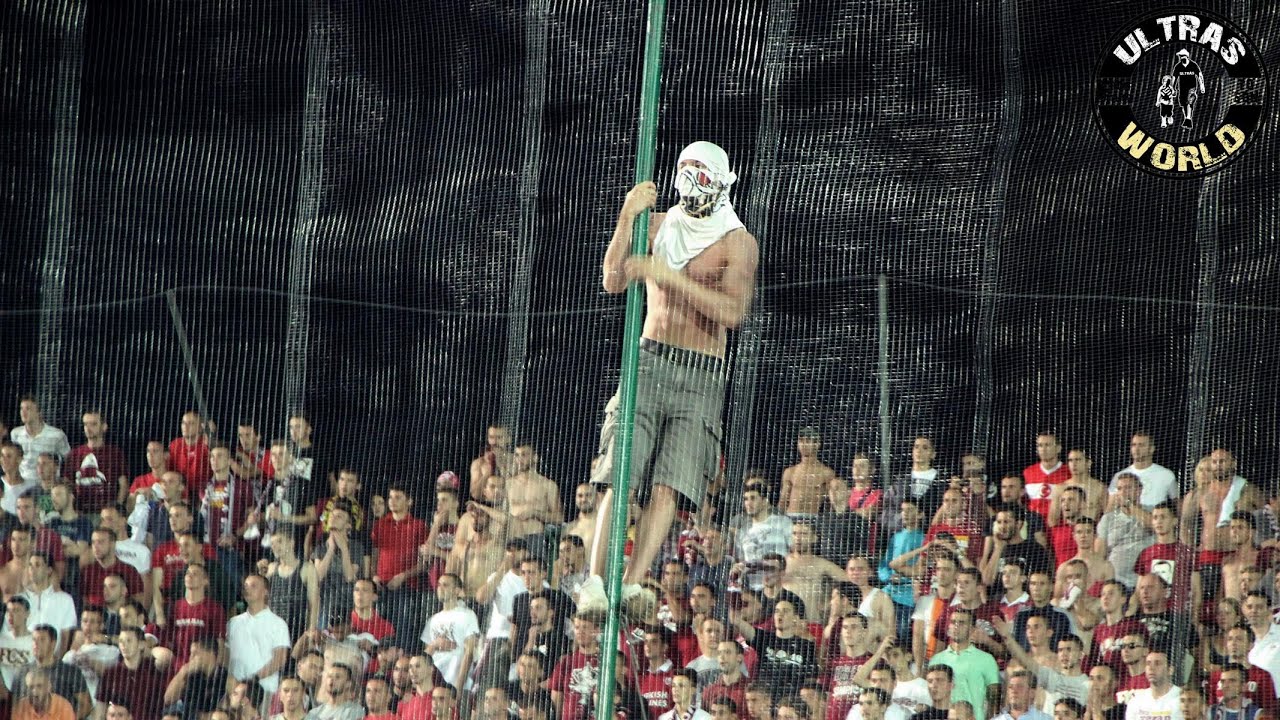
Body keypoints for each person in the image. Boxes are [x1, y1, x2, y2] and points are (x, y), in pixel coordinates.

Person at [589, 140, 759, 601]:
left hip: (701, 373)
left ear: (721, 184)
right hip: (649, 361)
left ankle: (631, 586)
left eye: (702, 177)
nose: (692, 186)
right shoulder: (658, 224)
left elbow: (733, 311)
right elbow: (612, 279)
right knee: (619, 474)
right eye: (687, 174)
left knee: (669, 486)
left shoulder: (737, 242)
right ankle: (595, 584)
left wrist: (669, 276)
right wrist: (627, 218)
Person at [228, 574, 292, 701]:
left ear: (265, 592)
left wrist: (253, 679)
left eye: (253, 586)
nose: (247, 589)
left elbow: (280, 659)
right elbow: (226, 655)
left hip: (265, 691)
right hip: (235, 692)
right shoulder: (233, 623)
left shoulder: (278, 623)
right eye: (245, 586)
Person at [926, 610, 999, 720]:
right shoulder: (936, 659)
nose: (956, 626)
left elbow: (994, 699)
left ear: (972, 629)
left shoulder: (986, 659)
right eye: (953, 622)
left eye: (961, 623)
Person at [10, 624, 91, 719]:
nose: (36, 644)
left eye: (42, 640)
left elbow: (86, 705)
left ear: (53, 643)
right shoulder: (21, 672)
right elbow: (14, 705)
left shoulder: (69, 672)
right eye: (34, 640)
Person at [421, 573, 480, 691]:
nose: (440, 588)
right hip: (434, 684)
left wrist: (459, 686)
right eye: (438, 585)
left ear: (457, 591)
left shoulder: (467, 615)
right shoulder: (433, 620)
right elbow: (426, 656)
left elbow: (469, 653)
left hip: (457, 683)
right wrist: (435, 644)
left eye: (445, 585)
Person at [62, 410, 129, 515]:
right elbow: (66, 483)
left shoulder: (115, 454)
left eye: (93, 424)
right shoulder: (74, 454)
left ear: (104, 427)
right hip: (80, 513)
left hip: (105, 513)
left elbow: (123, 485)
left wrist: (116, 509)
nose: (88, 428)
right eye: (85, 424)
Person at [97, 627, 166, 720]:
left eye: (129, 641)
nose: (124, 645)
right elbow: (100, 711)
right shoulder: (110, 673)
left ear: (141, 644)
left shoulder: (154, 672)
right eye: (121, 641)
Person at [162, 635, 228, 720]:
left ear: (210, 653)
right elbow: (168, 699)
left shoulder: (225, 676)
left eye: (195, 653)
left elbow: (228, 709)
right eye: (190, 654)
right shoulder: (189, 674)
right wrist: (182, 672)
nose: (191, 658)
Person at [10, 396, 70, 485]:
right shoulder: (15, 434)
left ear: (39, 412)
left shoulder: (56, 435)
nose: (23, 412)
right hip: (22, 484)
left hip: (48, 485)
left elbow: (68, 459)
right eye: (21, 408)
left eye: (28, 409)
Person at [780, 427, 838, 518]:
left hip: (812, 518)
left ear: (817, 444)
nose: (803, 445)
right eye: (801, 441)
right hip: (790, 517)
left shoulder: (826, 473)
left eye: (807, 441)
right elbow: (783, 501)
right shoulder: (790, 472)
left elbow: (830, 503)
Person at [1023, 433, 1069, 524]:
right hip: (1032, 527)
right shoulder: (1028, 472)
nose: (1043, 449)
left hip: (1059, 527)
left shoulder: (1068, 473)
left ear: (1058, 448)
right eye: (1040, 445)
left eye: (1047, 445)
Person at [1123, 650, 1181, 720]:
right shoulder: (1136, 701)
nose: (1151, 668)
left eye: (1157, 663)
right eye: (1148, 663)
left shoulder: (1181, 698)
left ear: (1170, 670)